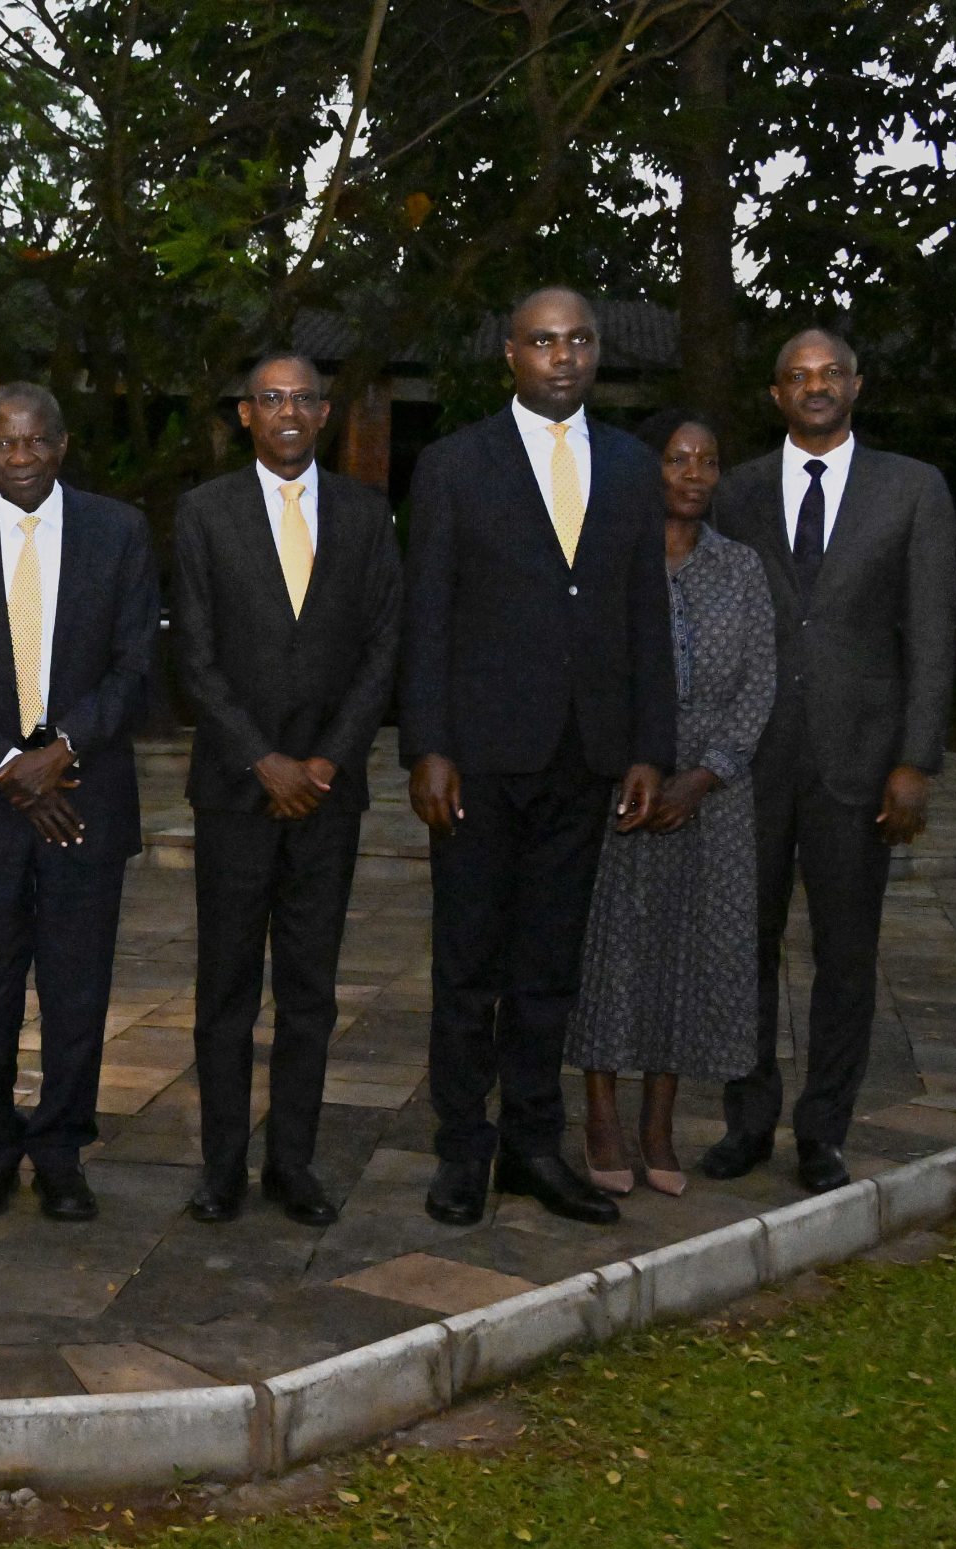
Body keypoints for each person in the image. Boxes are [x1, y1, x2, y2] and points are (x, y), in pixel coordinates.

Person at [400, 287, 677, 1229]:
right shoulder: (451, 465)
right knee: (468, 965)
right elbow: (426, 612)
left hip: (586, 752)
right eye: (544, 341)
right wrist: (427, 744)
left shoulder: (636, 467)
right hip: (477, 757)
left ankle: (531, 1146)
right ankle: (461, 1150)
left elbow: (647, 614)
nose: (564, 356)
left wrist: (649, 747)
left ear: (599, 354)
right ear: (510, 354)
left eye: (580, 341)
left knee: (549, 967)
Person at [699, 331, 956, 1193]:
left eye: (831, 374)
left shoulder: (912, 489)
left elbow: (930, 632)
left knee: (845, 955)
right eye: (799, 377)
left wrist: (917, 759)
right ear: (775, 394)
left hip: (860, 763)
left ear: (856, 384)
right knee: (745, 946)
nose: (816, 387)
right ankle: (747, 1119)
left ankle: (823, 1131)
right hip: (751, 760)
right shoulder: (733, 494)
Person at [0, 382, 157, 1224]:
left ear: (62, 445)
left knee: (78, 993)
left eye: (35, 442)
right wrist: (12, 769)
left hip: (85, 798)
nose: (21, 458)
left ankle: (59, 1153)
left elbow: (134, 666)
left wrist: (61, 754)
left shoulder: (119, 533)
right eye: (3, 444)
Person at [173, 354, 401, 1226]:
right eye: (272, 398)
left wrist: (326, 763)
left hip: (327, 795)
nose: (290, 412)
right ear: (245, 414)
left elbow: (384, 645)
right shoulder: (205, 514)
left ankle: (293, 1164)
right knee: (225, 988)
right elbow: (192, 651)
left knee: (310, 990)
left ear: (328, 412)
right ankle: (222, 1165)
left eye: (305, 398)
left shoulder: (366, 512)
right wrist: (261, 760)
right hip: (236, 793)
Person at [565, 413, 777, 1196]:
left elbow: (760, 683)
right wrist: (636, 766)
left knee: (688, 959)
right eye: (678, 459)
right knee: (608, 952)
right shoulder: (610, 560)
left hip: (715, 797)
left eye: (709, 460)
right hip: (617, 785)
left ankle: (659, 1123)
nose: (693, 473)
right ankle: (600, 1116)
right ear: (647, 469)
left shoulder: (742, 568)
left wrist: (704, 777)